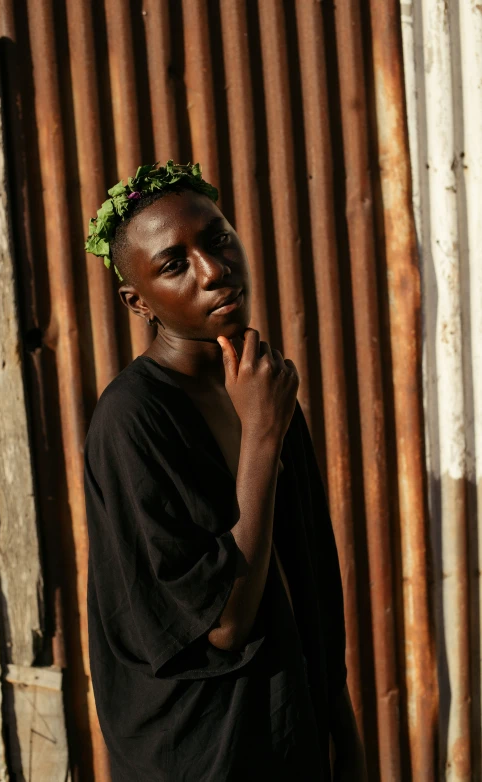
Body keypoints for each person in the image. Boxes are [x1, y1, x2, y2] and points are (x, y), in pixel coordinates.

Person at [83, 162, 367, 781]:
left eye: (217, 239)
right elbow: (225, 623)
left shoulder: (262, 384)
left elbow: (309, 582)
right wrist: (262, 439)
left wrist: (342, 734)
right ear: (138, 301)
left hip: (293, 731)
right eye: (174, 264)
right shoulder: (132, 420)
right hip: (204, 751)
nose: (214, 271)